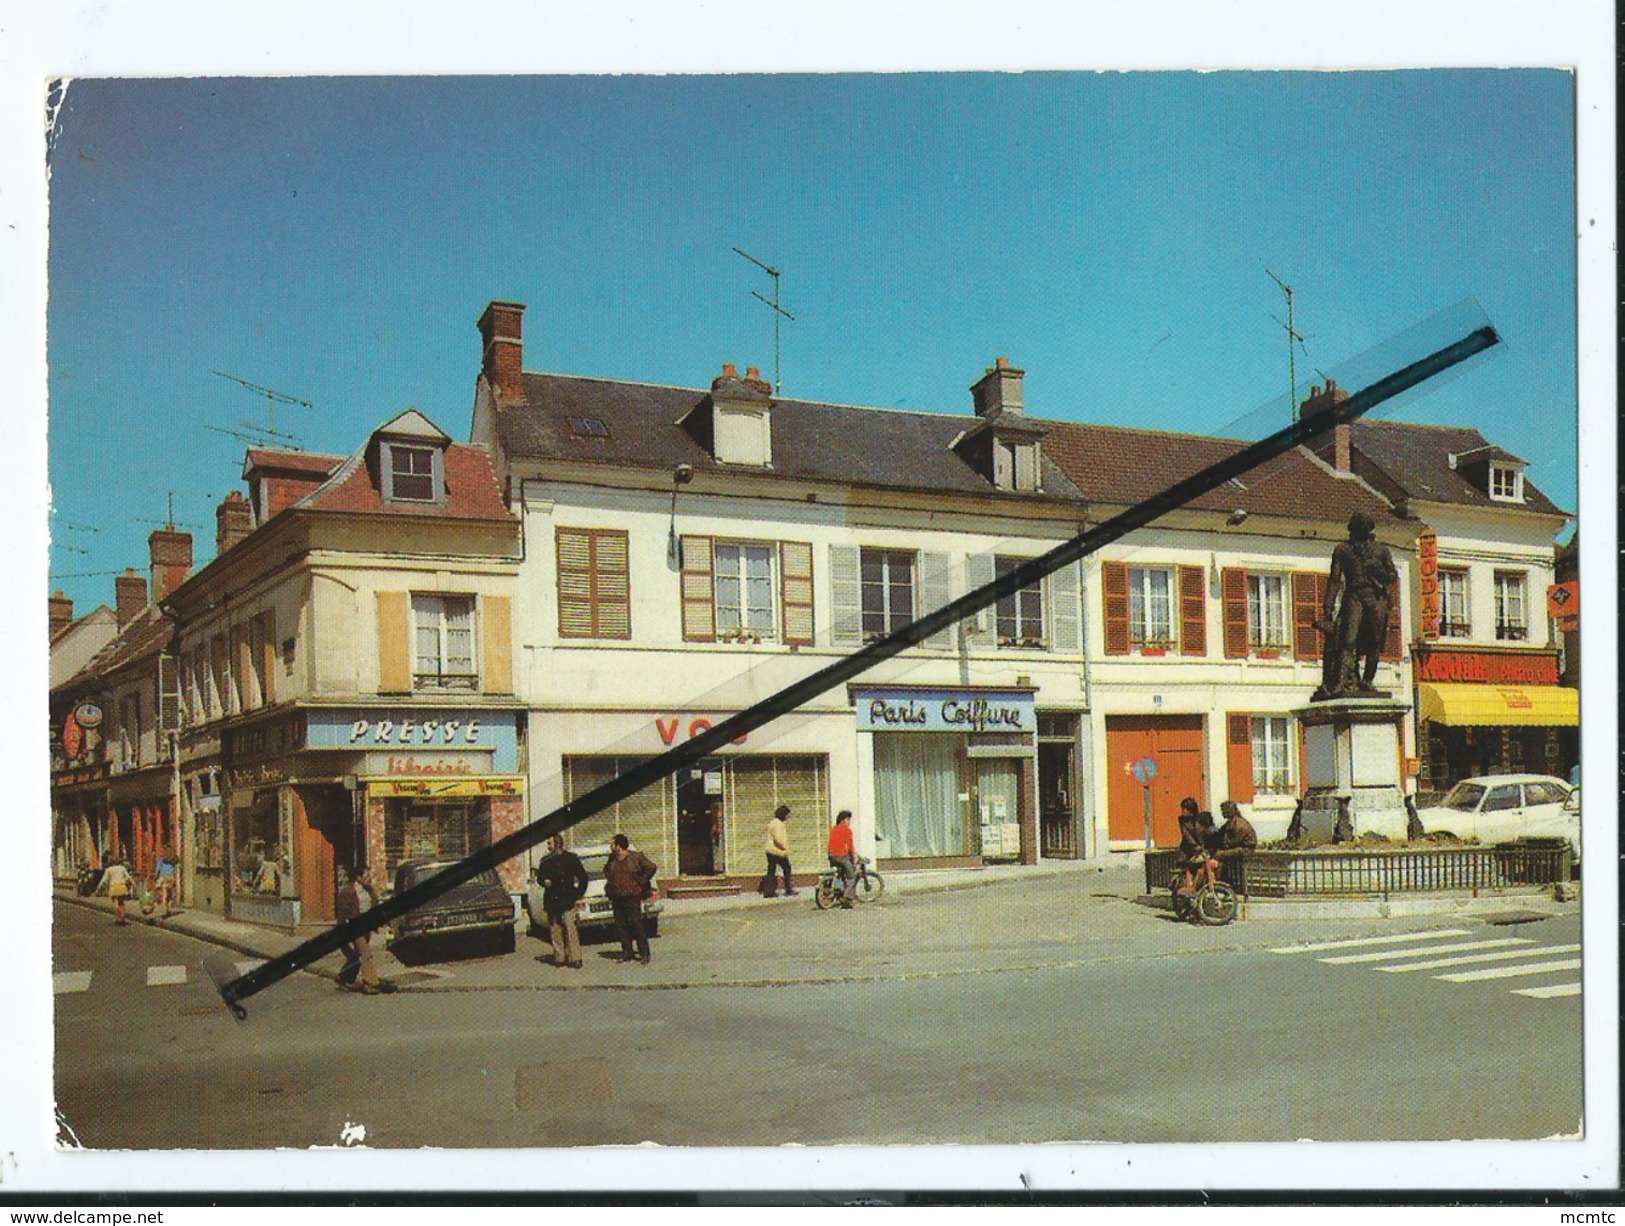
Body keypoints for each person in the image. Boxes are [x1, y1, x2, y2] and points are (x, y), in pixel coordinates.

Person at [1316, 510, 1400, 699]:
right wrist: (1328, 607)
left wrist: (1379, 573)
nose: (1362, 531)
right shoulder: (1343, 550)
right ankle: (1341, 682)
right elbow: (1335, 579)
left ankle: (1367, 680)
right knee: (1348, 639)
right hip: (1354, 595)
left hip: (1376, 596)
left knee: (1375, 642)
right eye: (1358, 528)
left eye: (1365, 528)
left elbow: (1392, 575)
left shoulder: (1381, 550)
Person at [536, 835, 589, 969]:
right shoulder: (545, 860)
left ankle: (575, 958)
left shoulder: (571, 859)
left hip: (567, 899)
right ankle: (559, 957)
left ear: (557, 843)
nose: (548, 846)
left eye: (550, 843)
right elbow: (539, 877)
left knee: (570, 928)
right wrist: (544, 881)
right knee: (555, 929)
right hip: (552, 900)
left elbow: (583, 877)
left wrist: (578, 894)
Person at [604, 834, 657, 965]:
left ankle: (644, 953)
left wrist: (642, 880)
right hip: (617, 896)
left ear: (619, 845)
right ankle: (627, 952)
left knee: (636, 925)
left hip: (632, 895)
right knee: (621, 926)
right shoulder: (612, 859)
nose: (611, 847)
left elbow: (651, 867)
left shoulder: (635, 857)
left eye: (612, 844)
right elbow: (607, 871)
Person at [335, 865, 381, 994]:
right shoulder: (348, 892)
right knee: (366, 955)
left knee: (356, 956)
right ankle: (370, 983)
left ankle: (343, 978)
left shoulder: (369, 890)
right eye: (366, 875)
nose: (369, 878)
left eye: (369, 875)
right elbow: (342, 913)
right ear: (358, 877)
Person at [1173, 799, 1217, 901]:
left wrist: (1203, 847)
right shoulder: (1182, 820)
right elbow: (1186, 836)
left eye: (1185, 809)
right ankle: (1190, 888)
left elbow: (1204, 834)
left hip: (1201, 849)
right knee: (1190, 866)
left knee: (1202, 867)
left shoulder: (1200, 819)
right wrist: (1196, 847)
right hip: (1188, 850)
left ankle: (1200, 888)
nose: (1183, 811)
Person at [764, 804, 797, 897]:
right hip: (777, 851)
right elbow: (778, 838)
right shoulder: (779, 824)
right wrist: (784, 847)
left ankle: (769, 891)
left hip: (770, 850)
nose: (788, 817)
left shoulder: (772, 822)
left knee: (771, 870)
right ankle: (789, 889)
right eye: (787, 815)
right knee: (787, 868)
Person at [827, 810, 857, 909]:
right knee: (852, 877)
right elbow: (850, 846)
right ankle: (847, 899)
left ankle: (838, 889)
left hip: (832, 856)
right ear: (844, 820)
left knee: (840, 873)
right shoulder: (847, 830)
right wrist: (853, 858)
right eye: (848, 819)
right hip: (841, 856)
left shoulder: (834, 829)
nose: (849, 822)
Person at [99, 857, 133, 925]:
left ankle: (118, 917)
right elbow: (128, 877)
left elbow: (104, 880)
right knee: (122, 902)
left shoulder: (109, 870)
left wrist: (98, 888)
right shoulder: (122, 868)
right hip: (122, 886)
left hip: (113, 887)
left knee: (115, 902)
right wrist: (133, 883)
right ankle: (122, 916)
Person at [153, 852, 178, 917]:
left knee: (164, 893)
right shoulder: (173, 861)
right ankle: (168, 906)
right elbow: (175, 869)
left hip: (163, 877)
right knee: (169, 894)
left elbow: (157, 870)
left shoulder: (161, 860)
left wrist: (155, 877)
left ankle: (165, 909)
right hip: (171, 877)